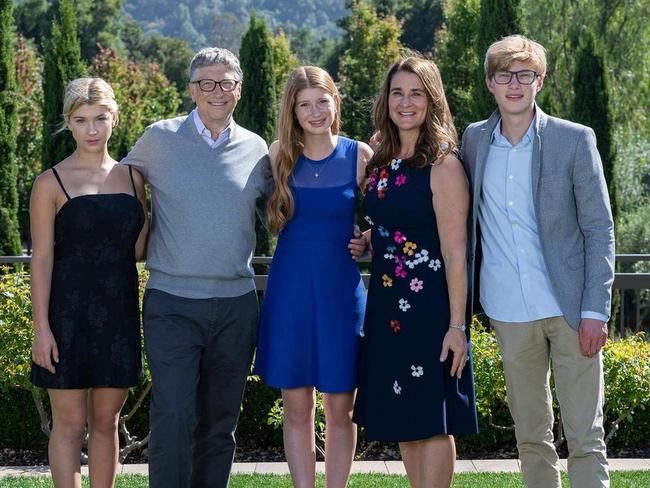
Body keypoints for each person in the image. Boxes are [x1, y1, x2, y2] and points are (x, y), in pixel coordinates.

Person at [461, 35, 614, 488]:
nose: (514, 84)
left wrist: (594, 310)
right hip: (508, 311)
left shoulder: (574, 139)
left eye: (524, 74)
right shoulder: (472, 141)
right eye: (504, 75)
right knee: (531, 436)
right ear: (490, 82)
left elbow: (599, 230)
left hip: (571, 310)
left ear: (539, 81)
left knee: (585, 435)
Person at [121, 47, 271, 488]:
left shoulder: (256, 148)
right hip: (172, 302)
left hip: (236, 306)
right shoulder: (158, 139)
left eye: (226, 83)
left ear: (239, 90)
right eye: (207, 82)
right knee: (173, 414)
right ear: (191, 89)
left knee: (221, 421)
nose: (217, 91)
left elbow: (281, 212)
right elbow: (117, 183)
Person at [351, 56, 478, 488]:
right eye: (398, 93)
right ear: (386, 100)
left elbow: (456, 251)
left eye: (416, 93)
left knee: (431, 418)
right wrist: (371, 237)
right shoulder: (382, 155)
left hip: (429, 310)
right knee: (402, 418)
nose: (406, 102)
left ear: (432, 99)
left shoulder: (442, 165)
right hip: (386, 306)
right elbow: (396, 221)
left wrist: (458, 326)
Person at [254, 66, 372, 488]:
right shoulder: (277, 155)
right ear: (293, 110)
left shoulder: (360, 155)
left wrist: (370, 241)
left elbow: (389, 220)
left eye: (322, 100)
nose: (315, 111)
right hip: (290, 294)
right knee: (296, 406)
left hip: (341, 294)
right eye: (304, 104)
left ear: (335, 101)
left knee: (342, 406)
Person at [29, 77, 148, 488]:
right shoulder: (50, 182)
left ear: (115, 118)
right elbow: (41, 259)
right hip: (65, 317)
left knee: (106, 421)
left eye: (100, 118)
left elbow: (137, 249)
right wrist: (40, 329)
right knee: (69, 424)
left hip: (118, 315)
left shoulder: (135, 179)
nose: (92, 129)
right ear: (69, 123)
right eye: (81, 120)